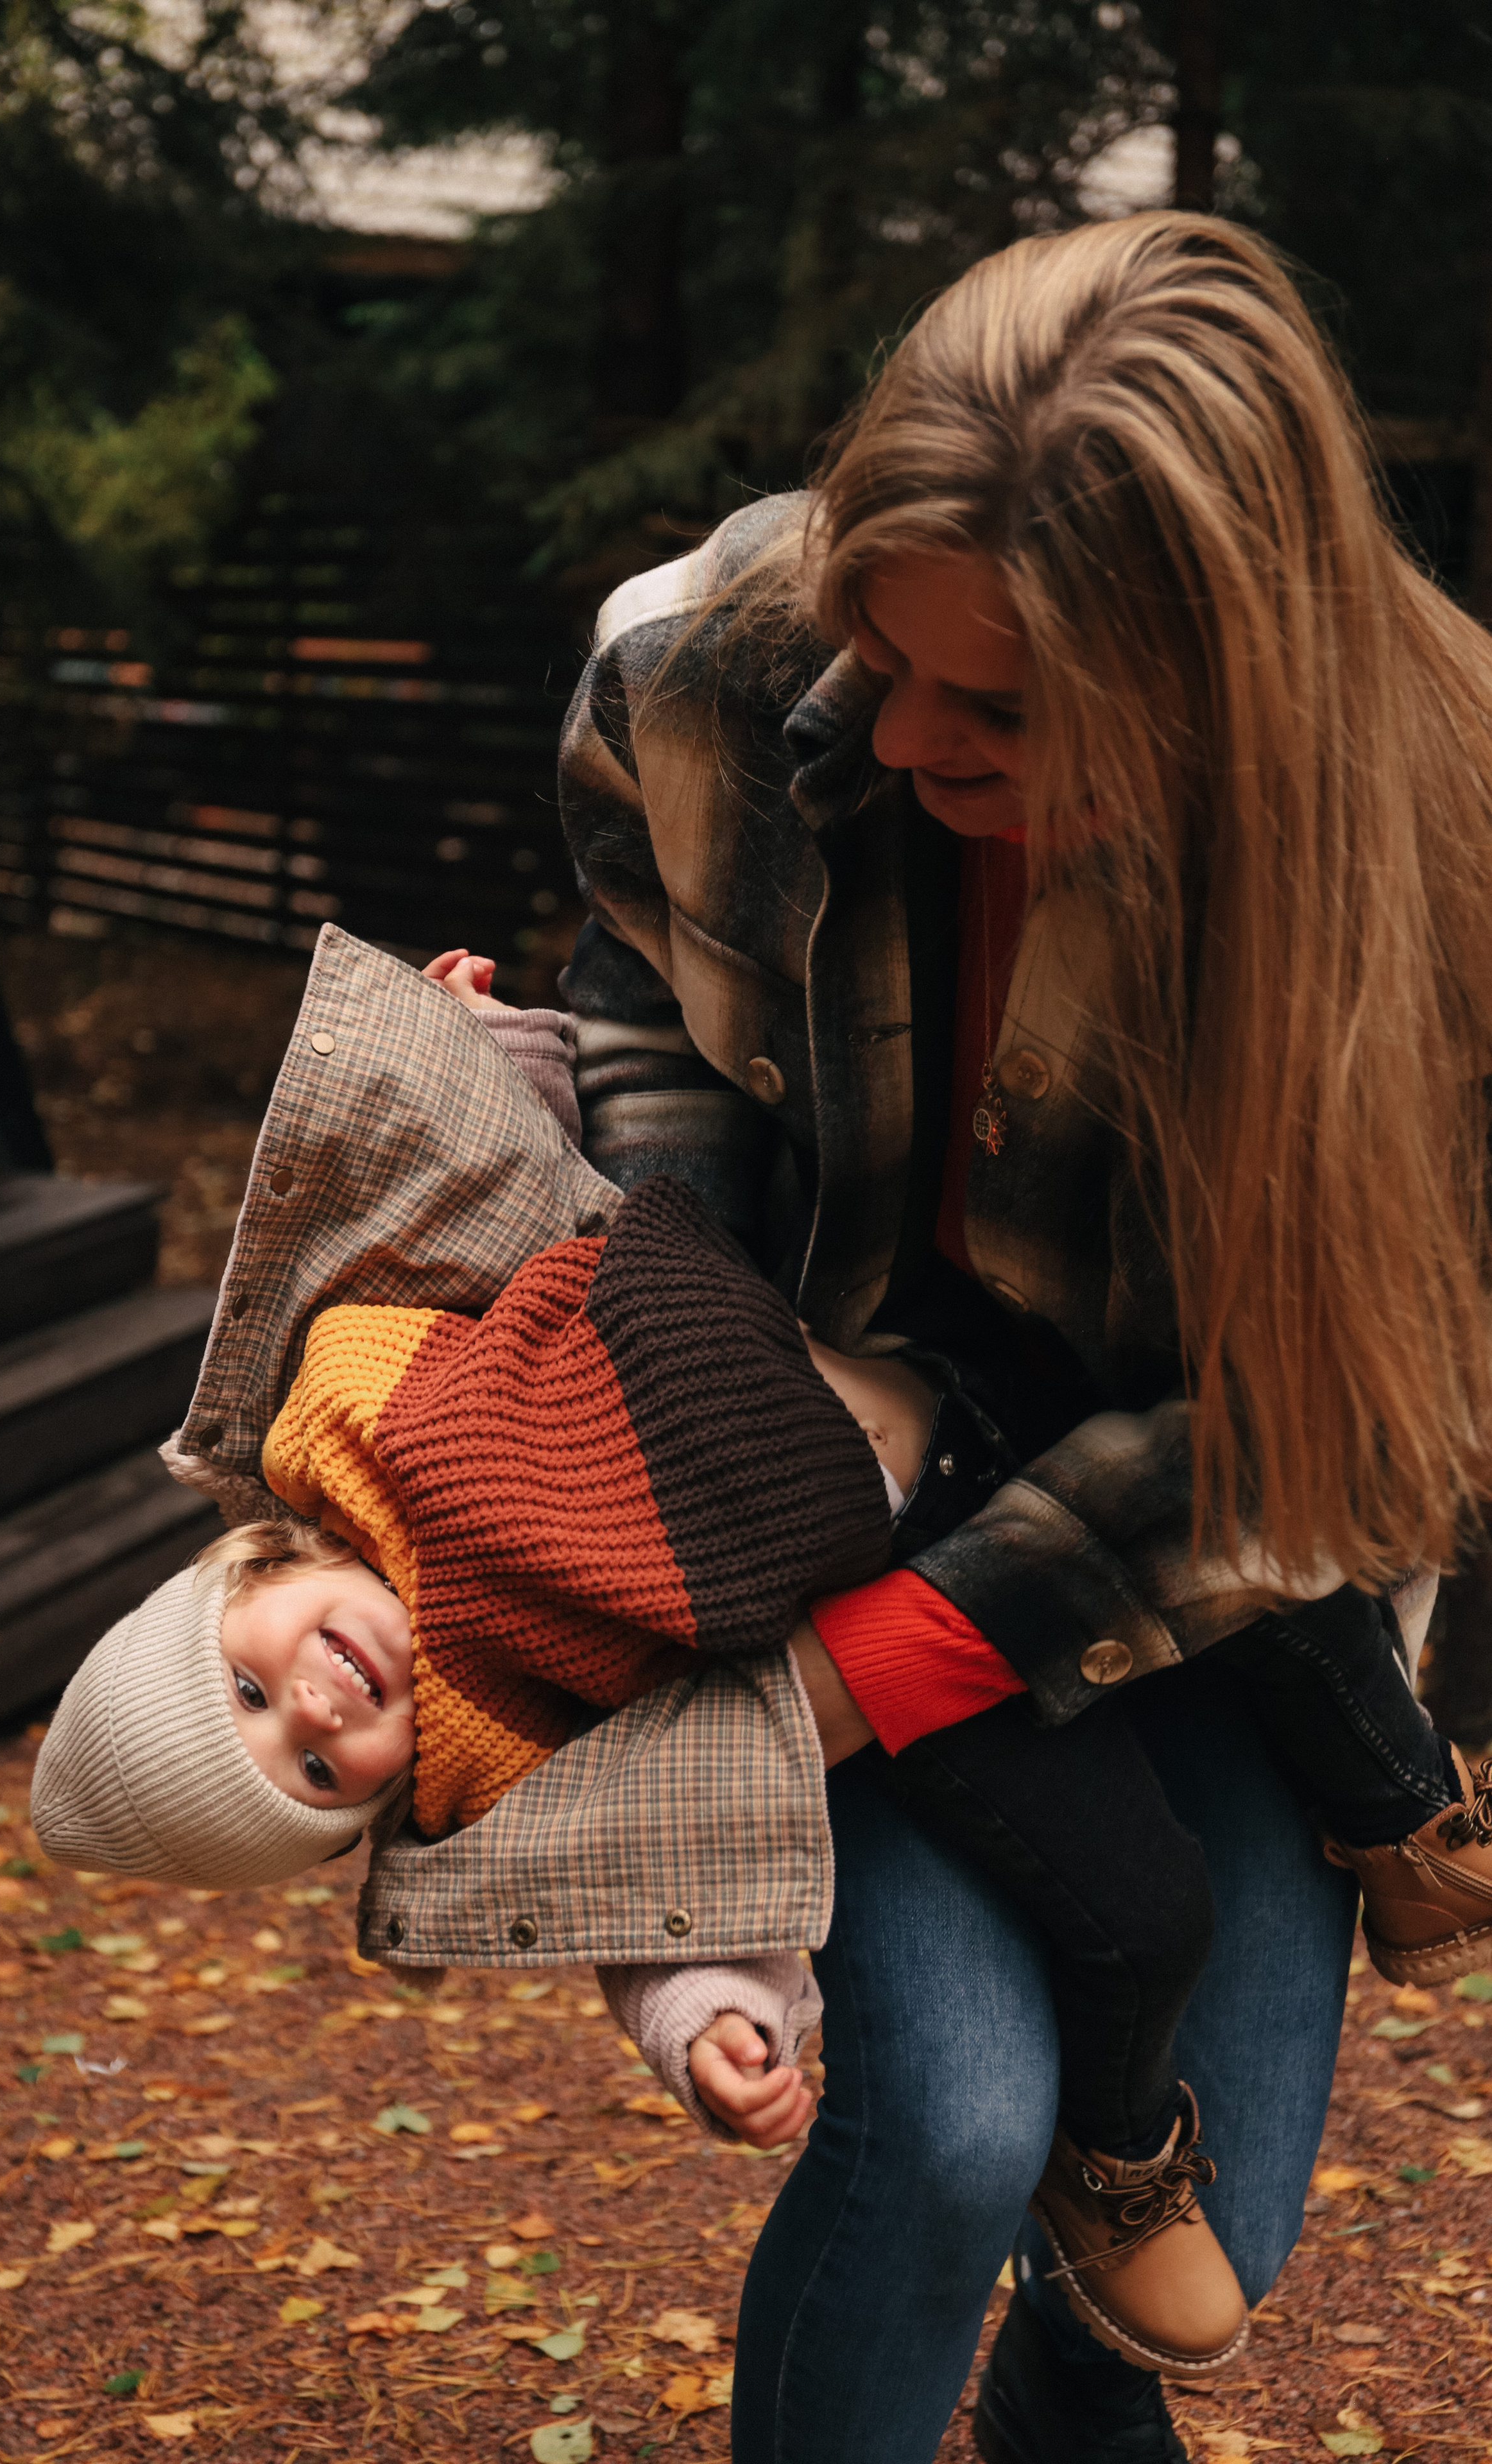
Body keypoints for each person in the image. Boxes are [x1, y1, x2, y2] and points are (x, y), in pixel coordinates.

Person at [551, 208, 1492, 2462]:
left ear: (1224, 699)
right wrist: (681, 1275)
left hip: (1218, 1564)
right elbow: (631, 974)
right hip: (825, 1495)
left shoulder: (1445, 857)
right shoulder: (702, 664)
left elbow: (1338, 1430)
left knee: (1200, 2259)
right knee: (962, 2125)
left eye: (1000, 709)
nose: (889, 733)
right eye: (881, 650)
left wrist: (872, 1684)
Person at [31, 938, 1492, 2387]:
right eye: (307, 1776)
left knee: (1254, 1531)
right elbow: (650, 1870)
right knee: (1148, 1909)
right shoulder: (496, 1761)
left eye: (247, 1686)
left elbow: (484, 1186)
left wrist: (476, 1041)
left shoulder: (346, 1386)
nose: (314, 1710)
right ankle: (1111, 2160)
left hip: (913, 1368)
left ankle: (1403, 1818)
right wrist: (711, 2021)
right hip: (907, 1583)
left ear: (245, 1579)